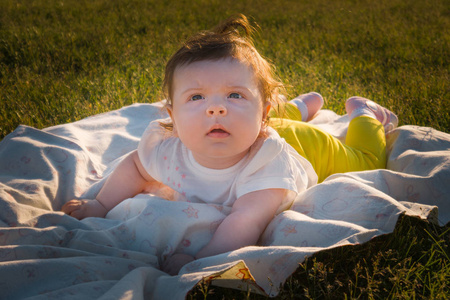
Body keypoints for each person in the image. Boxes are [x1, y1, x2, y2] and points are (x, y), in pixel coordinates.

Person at [61, 14, 398, 275]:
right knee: (239, 118)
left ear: (262, 114)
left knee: (366, 158)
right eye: (196, 97)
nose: (215, 107)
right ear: (172, 116)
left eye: (234, 94)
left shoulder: (268, 166)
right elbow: (136, 165)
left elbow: (245, 220)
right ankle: (296, 107)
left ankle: (362, 114)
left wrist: (200, 259)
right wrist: (101, 204)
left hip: (306, 147)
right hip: (253, 126)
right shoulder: (168, 146)